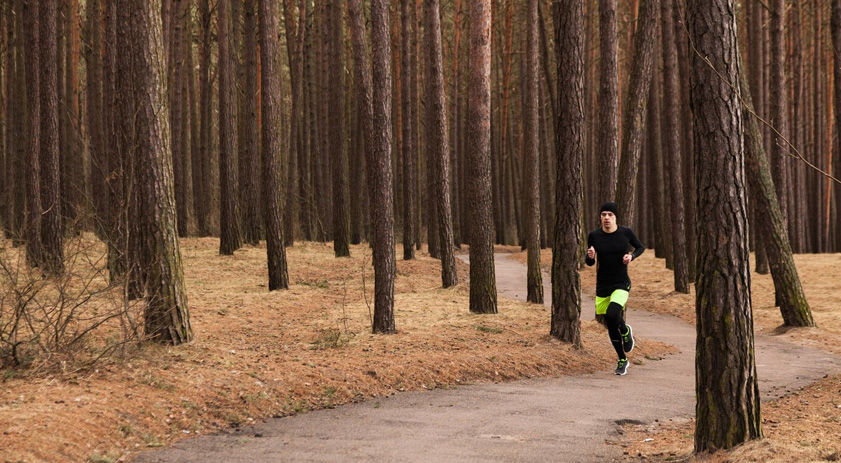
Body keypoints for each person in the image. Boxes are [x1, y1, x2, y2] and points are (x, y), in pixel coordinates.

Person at [585, 202, 645, 375]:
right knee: (610, 323)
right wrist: (590, 257)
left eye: (610, 214)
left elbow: (640, 247)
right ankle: (622, 359)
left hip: (621, 283)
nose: (606, 218)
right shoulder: (594, 236)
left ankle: (625, 331)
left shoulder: (625, 233)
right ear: (600, 217)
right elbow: (589, 262)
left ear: (615, 217)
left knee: (612, 314)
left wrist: (631, 257)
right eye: (603, 214)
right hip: (603, 285)